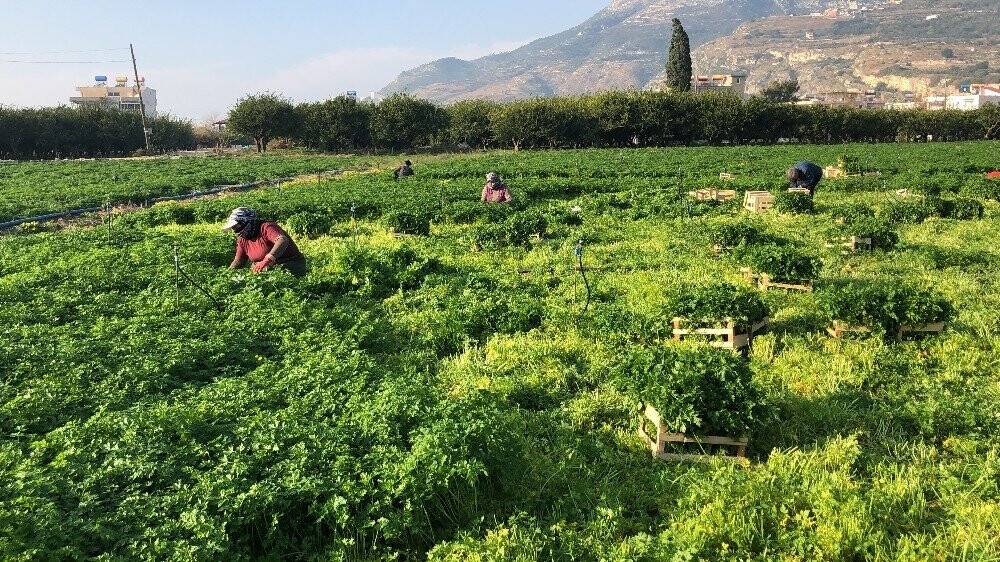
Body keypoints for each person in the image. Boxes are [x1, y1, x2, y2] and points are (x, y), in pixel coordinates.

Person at [223, 207, 307, 276]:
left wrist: (267, 260)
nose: (235, 230)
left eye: (236, 227)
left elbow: (282, 240)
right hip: (265, 271)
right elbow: (238, 261)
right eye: (233, 228)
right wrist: (227, 275)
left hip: (289, 267)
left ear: (247, 221)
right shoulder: (242, 239)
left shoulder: (266, 227)